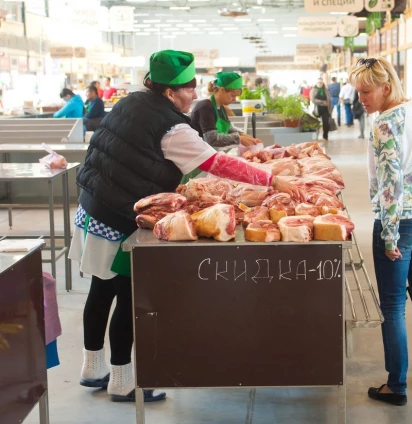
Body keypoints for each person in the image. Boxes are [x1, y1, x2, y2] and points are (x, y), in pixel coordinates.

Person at [69, 50, 301, 403]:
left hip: (93, 207)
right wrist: (270, 179)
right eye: (190, 89)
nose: (195, 95)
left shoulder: (132, 102)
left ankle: (92, 367)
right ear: (169, 92)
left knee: (101, 289)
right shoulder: (172, 126)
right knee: (129, 295)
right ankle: (121, 380)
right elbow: (218, 163)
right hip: (119, 216)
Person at [349, 58, 412, 407]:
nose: (359, 98)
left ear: (385, 88)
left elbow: (391, 184)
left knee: (392, 304)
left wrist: (389, 235)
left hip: (401, 222)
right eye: (357, 91)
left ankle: (396, 385)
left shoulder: (385, 124)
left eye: (365, 91)